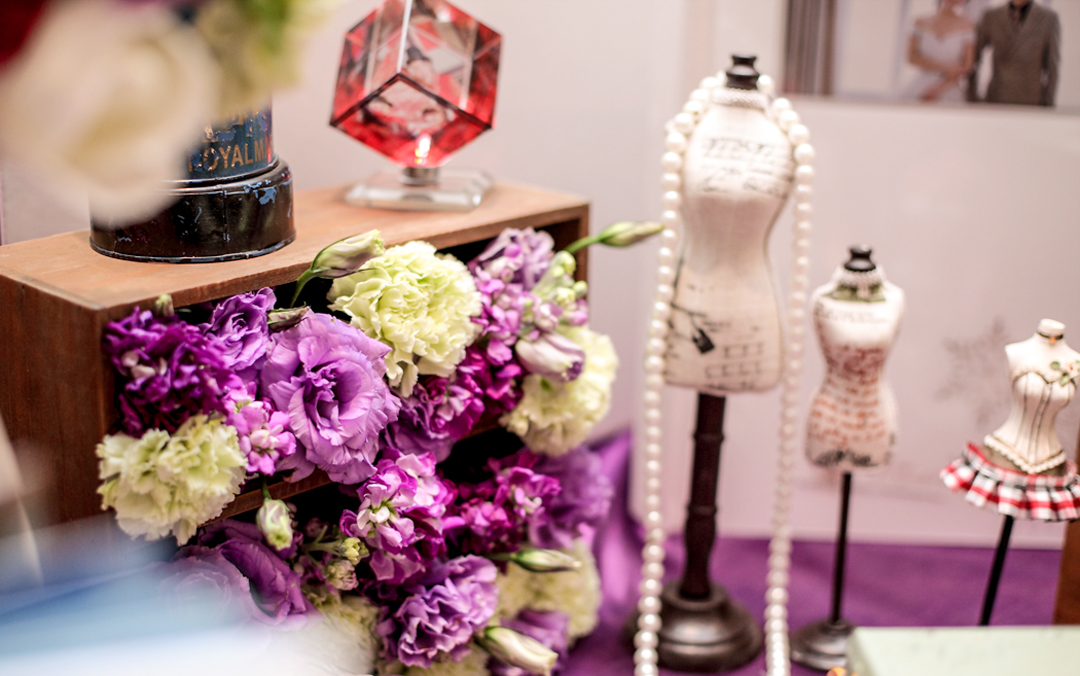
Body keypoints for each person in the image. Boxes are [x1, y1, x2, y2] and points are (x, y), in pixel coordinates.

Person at [967, 0, 1061, 106]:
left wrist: (1048, 104)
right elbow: (974, 59)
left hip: (1032, 101)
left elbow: (1052, 66)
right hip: (997, 99)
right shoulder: (992, 16)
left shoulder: (1048, 18)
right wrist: (972, 97)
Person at [903, 0, 976, 103]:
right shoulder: (920, 22)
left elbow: (968, 65)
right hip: (921, 83)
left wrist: (938, 89)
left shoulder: (968, 25)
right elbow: (912, 57)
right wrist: (947, 67)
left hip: (949, 86)